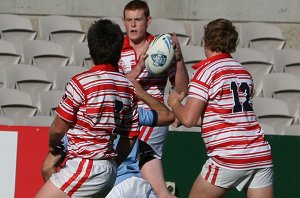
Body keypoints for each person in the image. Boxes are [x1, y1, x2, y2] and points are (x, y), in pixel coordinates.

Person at [167, 18, 274, 198]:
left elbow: (188, 119)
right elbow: (225, 117)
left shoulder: (206, 71)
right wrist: (183, 114)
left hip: (229, 155)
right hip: (260, 154)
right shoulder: (243, 72)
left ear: (206, 41)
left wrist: (175, 104)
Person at [36, 19, 140, 198]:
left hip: (86, 166)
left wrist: (53, 145)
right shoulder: (127, 87)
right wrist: (113, 163)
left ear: (90, 51)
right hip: (108, 169)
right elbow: (129, 136)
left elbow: (58, 129)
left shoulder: (81, 83)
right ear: (119, 52)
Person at [41, 79, 175, 198]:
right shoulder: (128, 110)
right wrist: (139, 92)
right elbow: (167, 116)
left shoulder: (75, 127)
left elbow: (47, 167)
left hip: (105, 189)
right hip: (136, 186)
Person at [119, 1, 189, 197]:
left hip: (154, 118)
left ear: (148, 21)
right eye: (129, 20)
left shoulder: (160, 47)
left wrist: (178, 58)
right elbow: (114, 84)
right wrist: (138, 68)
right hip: (126, 118)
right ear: (123, 22)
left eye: (138, 20)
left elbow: (181, 89)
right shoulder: (116, 48)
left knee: (140, 177)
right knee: (139, 183)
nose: (133, 25)